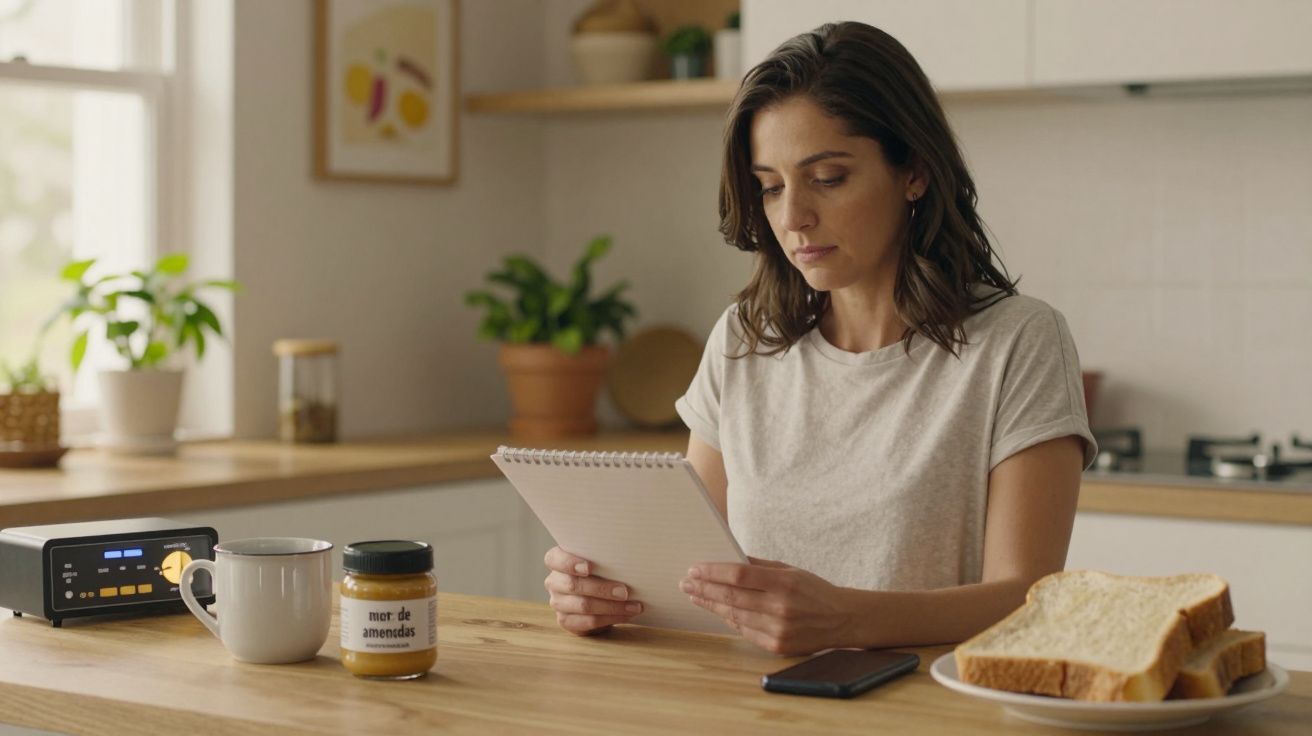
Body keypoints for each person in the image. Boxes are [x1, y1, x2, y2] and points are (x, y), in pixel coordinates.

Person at [542, 21, 1097, 656]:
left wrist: (851, 620)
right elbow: (693, 573)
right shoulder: (742, 343)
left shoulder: (1018, 341)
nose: (792, 216)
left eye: (828, 178)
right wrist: (604, 591)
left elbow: (1029, 595)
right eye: (771, 186)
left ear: (913, 170)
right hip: (752, 706)